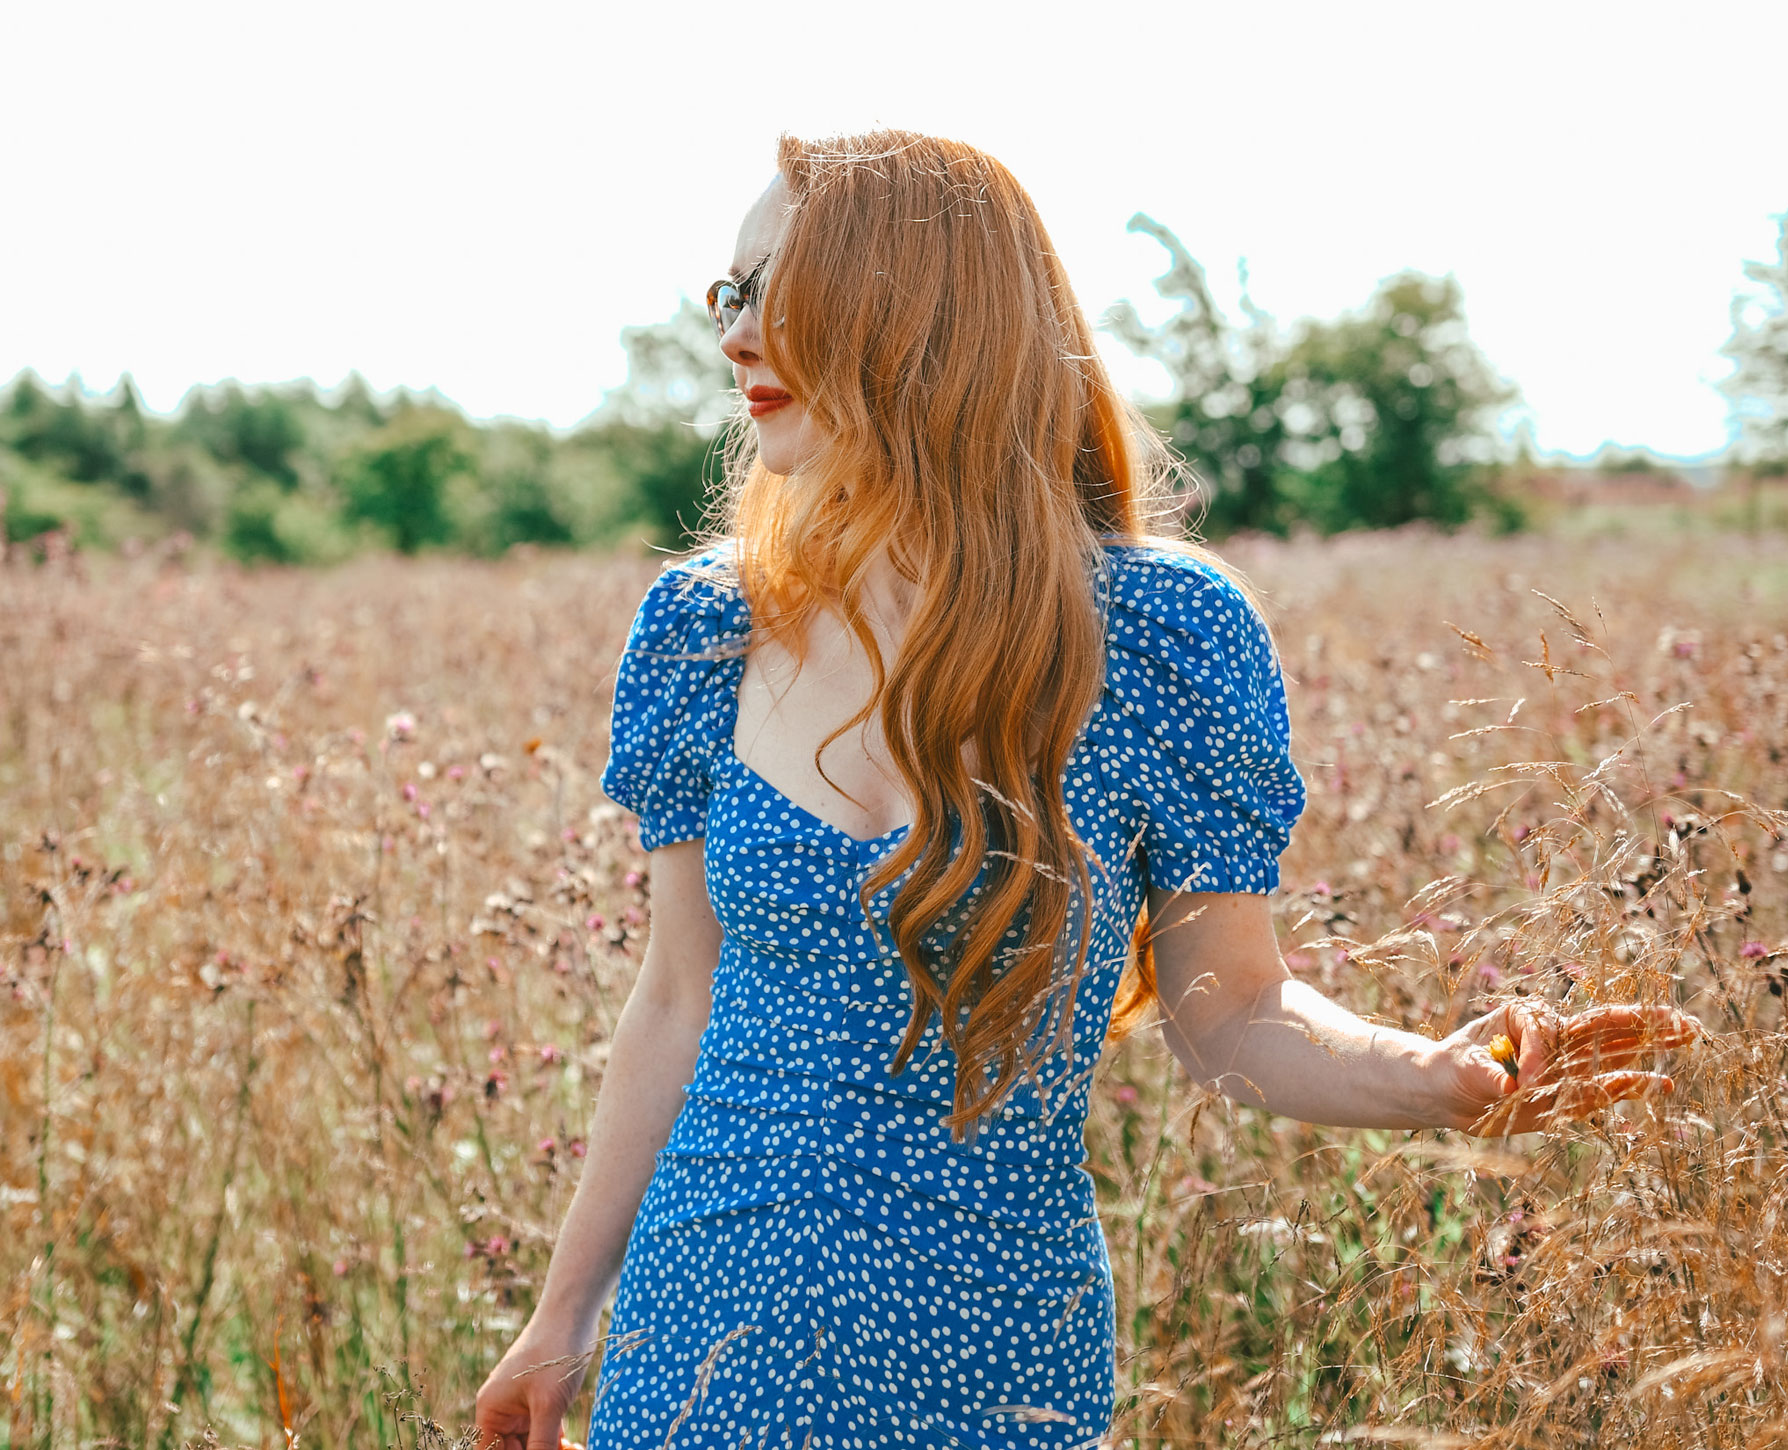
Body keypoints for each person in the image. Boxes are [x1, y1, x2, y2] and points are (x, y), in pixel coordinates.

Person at [474, 131, 1697, 1450]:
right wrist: (562, 1316)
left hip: (993, 1354)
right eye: (730, 293)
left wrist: (1435, 1076)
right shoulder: (703, 629)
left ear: (918, 311)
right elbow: (676, 995)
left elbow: (1229, 1005)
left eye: (779, 290)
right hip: (701, 1343)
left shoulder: (1163, 635)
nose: (735, 335)